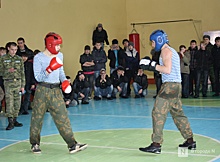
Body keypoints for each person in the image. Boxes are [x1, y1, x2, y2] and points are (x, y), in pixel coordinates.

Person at [139, 30, 196, 154]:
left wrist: (152, 65)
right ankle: (190, 140)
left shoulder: (165, 51)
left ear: (159, 40)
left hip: (169, 86)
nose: (152, 45)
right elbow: (166, 70)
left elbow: (167, 70)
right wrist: (152, 66)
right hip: (176, 86)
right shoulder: (171, 50)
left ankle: (156, 144)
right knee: (178, 114)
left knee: (158, 113)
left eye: (153, 42)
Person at [29, 32, 87, 154]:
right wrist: (49, 69)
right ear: (50, 44)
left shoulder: (60, 55)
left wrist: (65, 81)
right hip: (42, 91)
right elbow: (38, 77)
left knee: (63, 117)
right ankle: (34, 144)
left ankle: (72, 144)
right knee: (37, 119)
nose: (59, 48)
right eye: (57, 45)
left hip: (56, 90)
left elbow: (61, 71)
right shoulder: (38, 57)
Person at [0, 42, 25, 130]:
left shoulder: (19, 59)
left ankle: (15, 119)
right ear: (8, 48)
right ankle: (10, 122)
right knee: (9, 103)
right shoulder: (3, 59)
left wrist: (23, 85)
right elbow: (1, 71)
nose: (14, 51)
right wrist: (8, 71)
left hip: (18, 83)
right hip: (8, 83)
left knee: (17, 103)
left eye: (15, 50)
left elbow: (22, 73)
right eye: (12, 50)